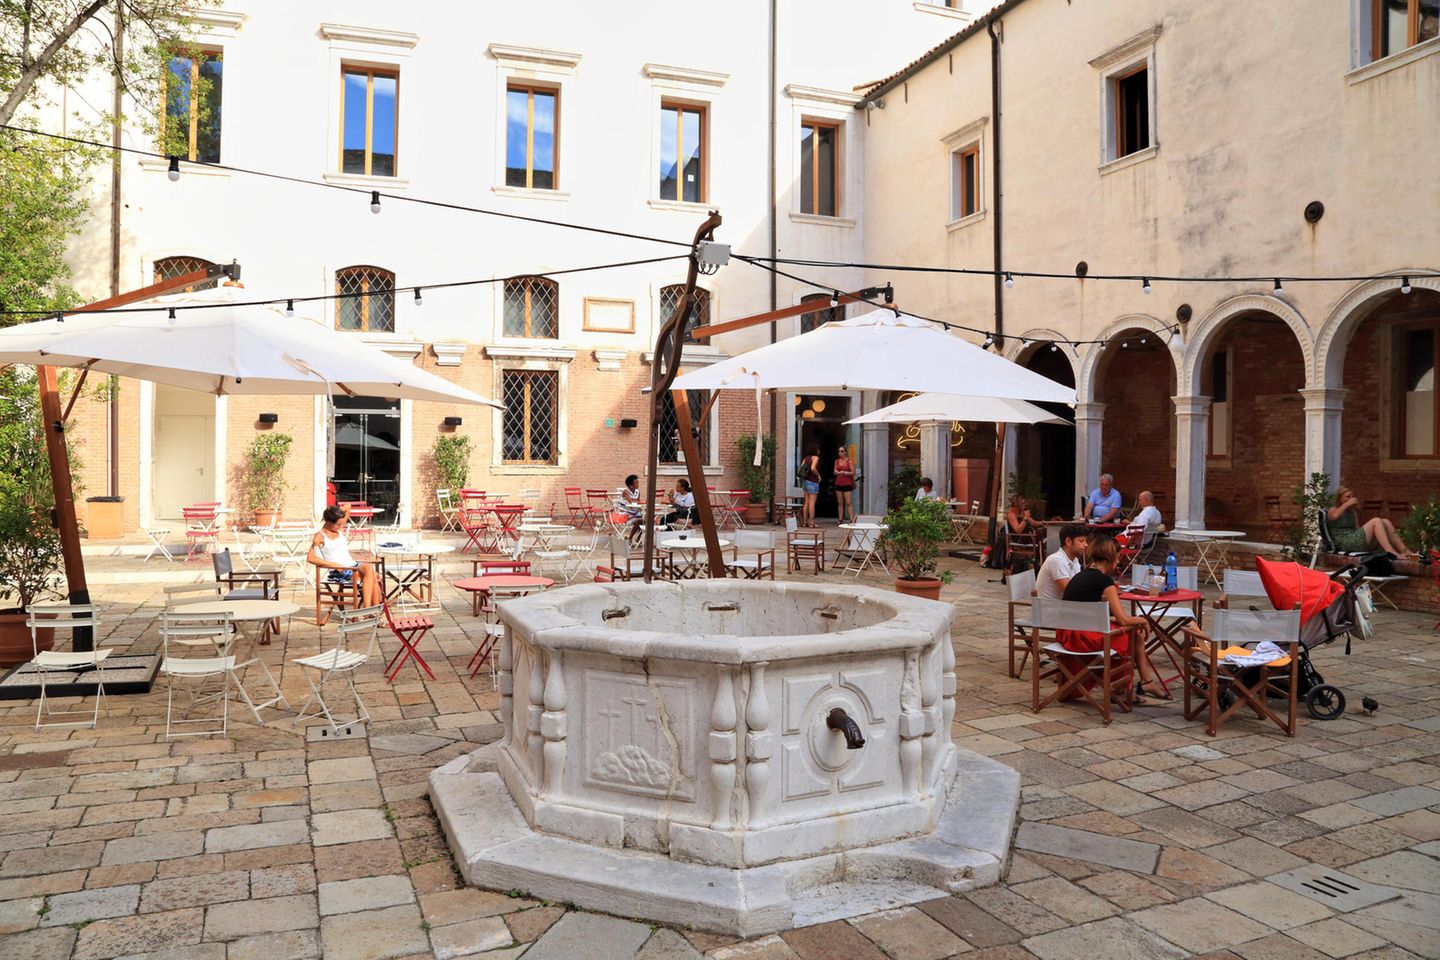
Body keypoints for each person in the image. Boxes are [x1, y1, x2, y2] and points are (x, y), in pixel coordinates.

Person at [1060, 537, 1169, 700]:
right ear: (1110, 558)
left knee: (1134, 635)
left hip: (1068, 633)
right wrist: (1143, 620)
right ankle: (1121, 690)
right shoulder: (1105, 581)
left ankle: (1142, 683)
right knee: (1131, 635)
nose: (1118, 562)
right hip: (1085, 636)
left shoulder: (1080, 576)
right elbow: (1123, 620)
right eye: (1118, 557)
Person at [308, 503, 382, 606]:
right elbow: (311, 558)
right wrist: (333, 565)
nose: (340, 526)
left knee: (369, 569)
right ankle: (371, 611)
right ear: (329, 522)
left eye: (340, 523)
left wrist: (335, 514)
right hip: (340, 571)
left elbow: (348, 506)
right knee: (373, 575)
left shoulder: (338, 526)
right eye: (338, 524)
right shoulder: (320, 536)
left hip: (353, 566)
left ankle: (370, 610)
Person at [1329, 483, 1410, 556]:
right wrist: (1347, 504)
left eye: (1352, 496)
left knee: (1386, 521)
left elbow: (1357, 529)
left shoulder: (1352, 512)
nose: (1351, 499)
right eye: (1347, 497)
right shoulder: (1333, 509)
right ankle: (1390, 551)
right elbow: (1334, 516)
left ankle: (1405, 550)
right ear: (1340, 498)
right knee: (1376, 520)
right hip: (1344, 542)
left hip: (1354, 539)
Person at [1037, 523, 1087, 600]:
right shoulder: (1056, 560)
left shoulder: (1075, 560)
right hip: (1051, 609)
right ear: (1068, 541)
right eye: (1081, 541)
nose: (1086, 545)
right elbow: (1070, 592)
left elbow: (1078, 586)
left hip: (1063, 606)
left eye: (1085, 541)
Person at [616, 474, 644, 543]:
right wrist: (640, 502)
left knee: (644, 520)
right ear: (631, 486)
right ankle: (630, 538)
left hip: (634, 512)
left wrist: (640, 504)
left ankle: (638, 538)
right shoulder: (626, 492)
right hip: (625, 514)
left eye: (638, 482)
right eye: (636, 483)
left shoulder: (638, 492)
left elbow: (638, 502)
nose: (638, 484)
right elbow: (631, 502)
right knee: (640, 521)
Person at [798, 445, 821, 526]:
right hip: (813, 481)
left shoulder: (805, 458)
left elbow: (800, 468)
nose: (819, 451)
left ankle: (804, 522)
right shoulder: (815, 458)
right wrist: (818, 476)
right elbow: (813, 468)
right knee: (812, 503)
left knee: (806, 502)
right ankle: (812, 523)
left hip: (805, 481)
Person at [833, 449, 857, 524]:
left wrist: (845, 472)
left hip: (847, 483)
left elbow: (853, 472)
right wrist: (836, 472)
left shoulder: (849, 461)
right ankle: (840, 519)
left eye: (842, 451)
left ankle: (851, 519)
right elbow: (834, 471)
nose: (840, 453)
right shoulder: (836, 461)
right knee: (840, 502)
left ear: (846, 452)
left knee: (848, 502)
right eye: (839, 451)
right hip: (838, 483)